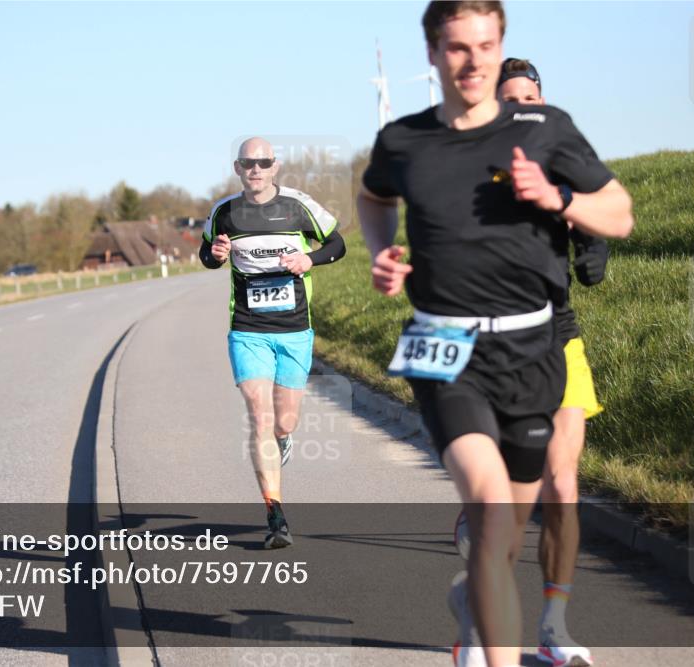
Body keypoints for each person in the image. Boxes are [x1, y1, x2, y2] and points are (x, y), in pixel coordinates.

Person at [357, 3, 633, 666]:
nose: (474, 60)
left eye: (486, 45)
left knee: (506, 529)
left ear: (500, 43)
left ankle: (478, 600)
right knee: (487, 502)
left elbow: (618, 214)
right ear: (433, 54)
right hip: (446, 349)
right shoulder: (402, 140)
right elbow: (372, 198)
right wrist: (384, 251)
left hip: (535, 348)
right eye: (457, 47)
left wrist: (559, 200)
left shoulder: (546, 128)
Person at [455, 57, 609, 667]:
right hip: (493, 348)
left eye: (530, 97)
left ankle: (553, 626)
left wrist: (593, 247)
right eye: (509, 98)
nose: (522, 107)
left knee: (563, 486)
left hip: (560, 339)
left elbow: (593, 209)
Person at [199, 137, 346, 549]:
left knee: (283, 422)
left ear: (275, 166)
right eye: (248, 163)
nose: (256, 169)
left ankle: (283, 440)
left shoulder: (299, 205)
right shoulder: (224, 212)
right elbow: (207, 256)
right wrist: (216, 254)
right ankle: (275, 515)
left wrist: (309, 259)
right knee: (259, 416)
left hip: (296, 330)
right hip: (247, 330)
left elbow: (338, 244)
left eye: (263, 162)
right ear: (237, 168)